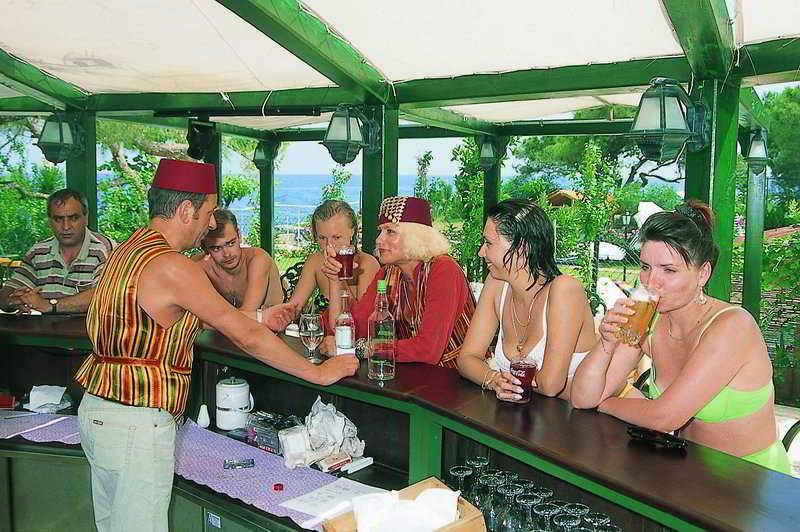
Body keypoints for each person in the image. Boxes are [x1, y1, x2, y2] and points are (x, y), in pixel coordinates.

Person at [74, 159, 358, 532]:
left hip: (98, 409)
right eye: (209, 213)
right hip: (136, 420)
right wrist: (319, 374)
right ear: (186, 210)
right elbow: (246, 335)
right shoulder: (173, 266)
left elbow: (197, 318)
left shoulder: (128, 250)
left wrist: (259, 317)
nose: (211, 224)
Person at [570, 200, 791, 475]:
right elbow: (582, 398)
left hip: (753, 481)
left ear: (703, 273)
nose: (651, 282)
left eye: (669, 270)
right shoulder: (648, 318)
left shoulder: (733, 326)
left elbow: (665, 417)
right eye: (646, 267)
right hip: (689, 475)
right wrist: (606, 344)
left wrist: (606, 404)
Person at [458, 199, 596, 401]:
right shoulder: (497, 283)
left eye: (488, 243)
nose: (481, 252)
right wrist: (494, 379)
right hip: (530, 416)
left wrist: (501, 377)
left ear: (522, 247)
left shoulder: (564, 290)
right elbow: (466, 358)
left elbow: (550, 385)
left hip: (596, 417)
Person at [321, 196, 476, 367]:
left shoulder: (444, 269)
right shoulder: (387, 273)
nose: (379, 240)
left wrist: (357, 349)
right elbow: (350, 329)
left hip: (456, 376)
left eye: (390, 231)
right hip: (411, 376)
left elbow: (428, 350)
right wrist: (335, 280)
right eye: (380, 231)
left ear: (417, 237)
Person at [0, 188, 114, 313]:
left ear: (86, 218)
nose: (66, 226)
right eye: (58, 219)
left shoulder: (105, 249)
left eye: (73, 218)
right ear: (50, 221)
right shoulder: (38, 252)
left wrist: (50, 305)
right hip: (48, 326)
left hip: (93, 326)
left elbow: (107, 296)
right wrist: (15, 300)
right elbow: (6, 294)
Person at [287, 199, 379, 309]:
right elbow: (294, 307)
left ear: (352, 231)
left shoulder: (366, 264)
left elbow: (363, 315)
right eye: (322, 238)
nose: (329, 245)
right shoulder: (315, 261)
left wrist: (339, 278)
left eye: (336, 237)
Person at [192, 209, 283, 311]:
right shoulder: (199, 267)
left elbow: (248, 311)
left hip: (273, 320)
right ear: (205, 249)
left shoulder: (258, 260)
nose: (227, 254)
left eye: (231, 243)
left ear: (239, 235)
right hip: (228, 321)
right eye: (216, 248)